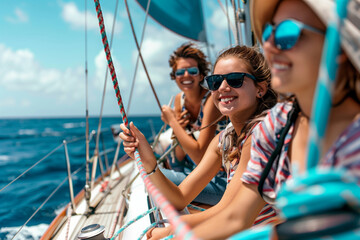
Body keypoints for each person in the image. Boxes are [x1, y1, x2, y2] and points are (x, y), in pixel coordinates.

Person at [190, 0, 360, 239]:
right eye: (269, 32)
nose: (268, 44)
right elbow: (237, 217)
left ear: (339, 49)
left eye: (287, 33)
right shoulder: (277, 124)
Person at [119, 45, 278, 239]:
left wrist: (171, 233)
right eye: (215, 81)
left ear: (260, 89)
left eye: (235, 80)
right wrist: (148, 160)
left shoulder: (262, 134)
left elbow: (235, 219)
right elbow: (180, 198)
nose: (223, 87)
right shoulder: (225, 140)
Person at [161, 42, 226, 172]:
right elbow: (179, 149)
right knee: (169, 156)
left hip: (219, 166)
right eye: (180, 72)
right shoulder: (179, 100)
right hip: (196, 159)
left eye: (192, 71)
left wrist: (172, 122)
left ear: (201, 75)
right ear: (174, 76)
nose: (186, 75)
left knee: (158, 177)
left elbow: (201, 157)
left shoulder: (210, 101)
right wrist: (179, 128)